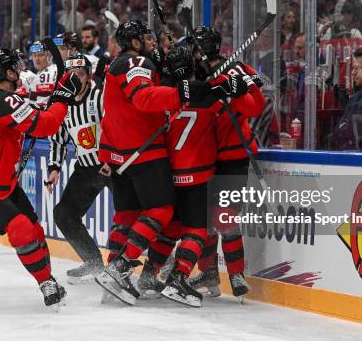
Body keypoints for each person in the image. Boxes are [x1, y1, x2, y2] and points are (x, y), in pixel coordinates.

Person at [0, 48, 85, 308]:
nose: (22, 68)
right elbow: (46, 125)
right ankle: (46, 283)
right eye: (16, 65)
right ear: (9, 72)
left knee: (35, 228)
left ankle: (48, 279)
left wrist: (54, 98)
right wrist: (62, 98)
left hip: (0, 180)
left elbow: (31, 111)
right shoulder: (2, 102)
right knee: (22, 229)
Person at [95, 20, 213, 305]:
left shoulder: (116, 65)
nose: (151, 42)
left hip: (119, 153)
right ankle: (120, 267)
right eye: (146, 37)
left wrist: (107, 154)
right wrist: (181, 93)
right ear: (134, 42)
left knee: (127, 215)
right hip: (143, 151)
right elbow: (144, 98)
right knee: (161, 210)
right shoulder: (136, 61)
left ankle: (114, 275)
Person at [138, 46, 255, 307]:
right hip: (199, 176)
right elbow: (237, 108)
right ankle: (180, 277)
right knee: (199, 231)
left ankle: (147, 275)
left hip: (171, 175)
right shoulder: (208, 98)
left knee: (169, 230)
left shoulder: (166, 97)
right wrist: (231, 85)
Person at [187, 25, 265, 300]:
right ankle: (208, 273)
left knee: (225, 217)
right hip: (204, 158)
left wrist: (234, 91)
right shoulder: (196, 73)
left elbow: (257, 105)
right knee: (205, 220)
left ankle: (236, 274)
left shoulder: (236, 69)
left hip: (233, 157)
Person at [45, 52, 108, 284]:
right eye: (71, 75)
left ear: (89, 76)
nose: (76, 79)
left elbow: (115, 127)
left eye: (80, 75)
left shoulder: (100, 97)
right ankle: (93, 261)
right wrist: (54, 167)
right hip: (85, 168)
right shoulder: (63, 104)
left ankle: (125, 266)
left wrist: (112, 159)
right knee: (64, 214)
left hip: (110, 166)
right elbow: (58, 139)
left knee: (129, 216)